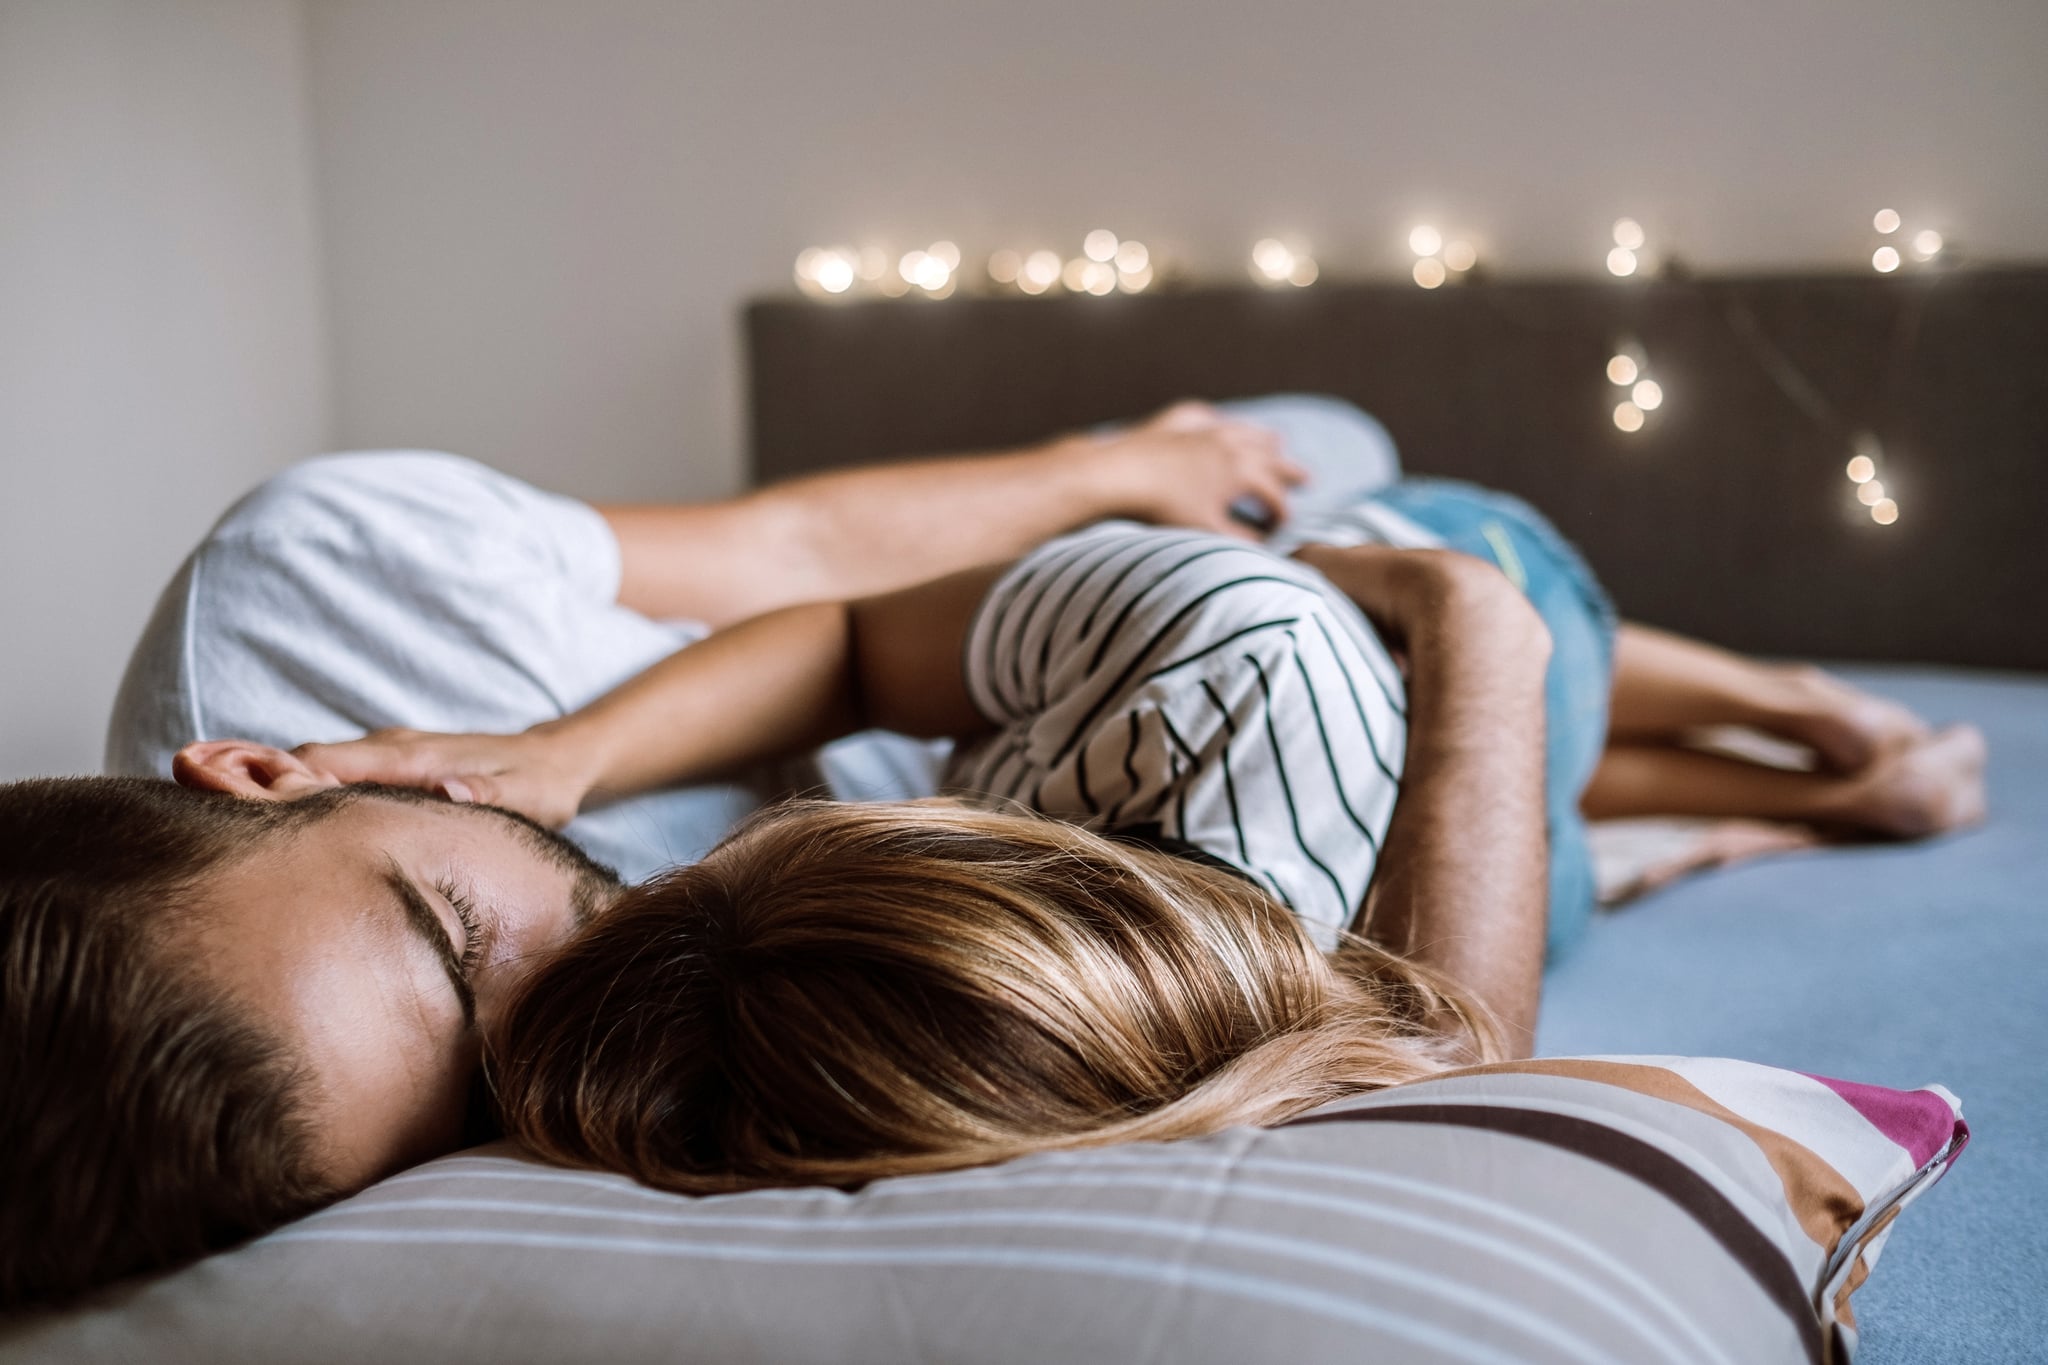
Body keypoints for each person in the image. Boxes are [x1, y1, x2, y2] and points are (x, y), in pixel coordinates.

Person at [0, 397, 1982, 1305]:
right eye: (479, 1086)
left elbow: (809, 571)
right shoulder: (625, 1047)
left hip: (1238, 630)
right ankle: (1805, 798)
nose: (562, 988)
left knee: (1389, 511)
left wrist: (1114, 475)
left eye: (451, 917)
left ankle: (1801, 706)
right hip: (1155, 770)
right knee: (1551, 815)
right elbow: (1421, 1030)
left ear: (260, 767)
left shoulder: (345, 609)